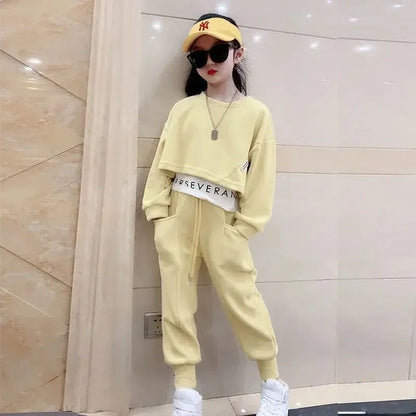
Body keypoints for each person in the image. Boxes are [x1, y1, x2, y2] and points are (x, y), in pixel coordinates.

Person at [142, 12, 290, 416]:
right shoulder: (183, 110)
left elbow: (262, 176)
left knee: (242, 297)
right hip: (178, 212)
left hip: (224, 217)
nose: (209, 62)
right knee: (176, 301)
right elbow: (162, 164)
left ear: (237, 53)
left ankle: (273, 383)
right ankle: (185, 393)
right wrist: (159, 213)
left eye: (218, 52)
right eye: (198, 57)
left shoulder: (256, 113)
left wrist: (244, 228)